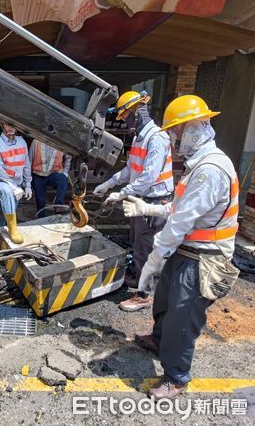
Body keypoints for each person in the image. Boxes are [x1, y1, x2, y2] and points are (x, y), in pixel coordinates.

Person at [123, 95, 239, 399]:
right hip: (187, 251)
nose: (173, 138)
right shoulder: (198, 165)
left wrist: (153, 259)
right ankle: (158, 341)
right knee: (163, 302)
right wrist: (147, 210)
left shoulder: (209, 170)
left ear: (194, 128)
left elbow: (179, 223)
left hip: (204, 258)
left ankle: (176, 377)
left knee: (182, 317)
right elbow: (178, 209)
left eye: (177, 132)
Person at [93, 90, 173, 310]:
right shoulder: (139, 138)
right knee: (136, 241)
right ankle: (138, 276)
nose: (126, 123)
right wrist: (109, 183)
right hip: (140, 200)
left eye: (126, 117)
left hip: (153, 202)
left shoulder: (156, 138)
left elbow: (148, 176)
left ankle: (144, 294)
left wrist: (121, 193)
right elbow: (130, 169)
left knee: (147, 247)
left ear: (138, 112)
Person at [0, 123, 32, 244]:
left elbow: (26, 164)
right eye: (7, 124)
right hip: (0, 181)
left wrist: (28, 185)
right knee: (7, 193)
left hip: (18, 183)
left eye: (13, 124)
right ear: (2, 125)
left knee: (8, 209)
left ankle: (3, 239)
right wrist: (13, 187)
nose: (11, 127)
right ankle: (13, 231)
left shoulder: (22, 142)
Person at [29, 139, 71, 218]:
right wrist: (28, 180)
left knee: (63, 179)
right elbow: (29, 159)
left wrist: (65, 172)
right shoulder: (36, 141)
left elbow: (68, 158)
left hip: (53, 174)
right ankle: (41, 219)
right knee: (40, 201)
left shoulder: (62, 141)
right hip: (37, 175)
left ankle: (58, 205)